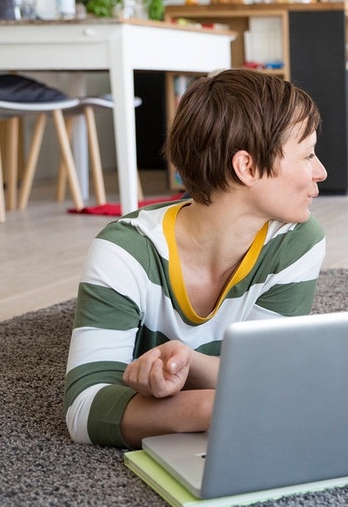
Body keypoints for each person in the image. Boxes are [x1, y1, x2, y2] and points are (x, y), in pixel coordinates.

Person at [64, 69, 327, 448]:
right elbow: (84, 408)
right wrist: (213, 408)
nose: (321, 171)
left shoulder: (297, 240)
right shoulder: (125, 251)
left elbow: (268, 377)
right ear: (247, 167)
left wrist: (188, 363)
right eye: (308, 154)